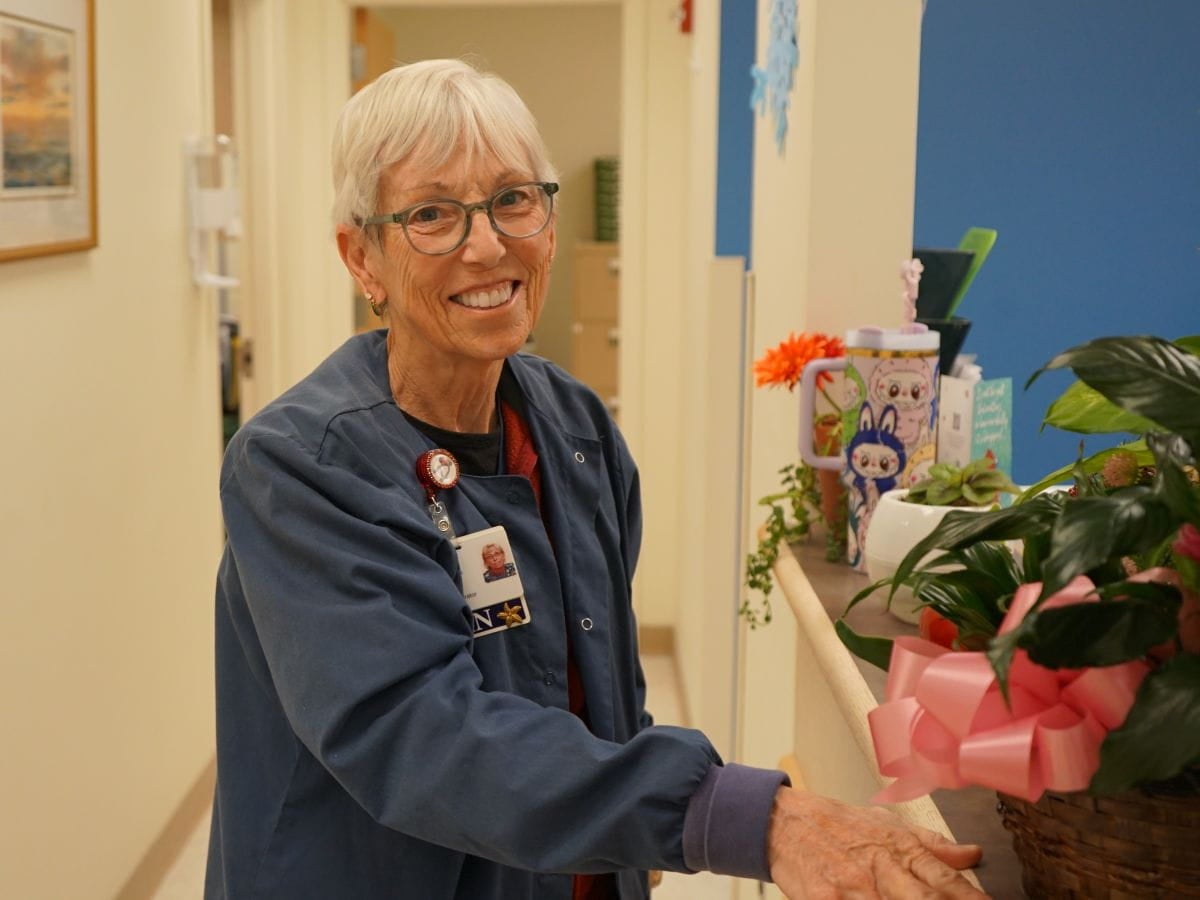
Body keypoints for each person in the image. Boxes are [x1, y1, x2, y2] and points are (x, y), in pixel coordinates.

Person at [205, 59, 986, 899]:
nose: (487, 244)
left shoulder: (573, 427)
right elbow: (423, 736)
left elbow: (602, 689)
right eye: (432, 214)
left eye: (513, 199)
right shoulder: (299, 466)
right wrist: (746, 816)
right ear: (363, 258)